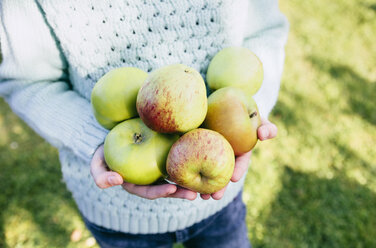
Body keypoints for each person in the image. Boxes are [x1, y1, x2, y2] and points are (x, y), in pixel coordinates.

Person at [0, 0, 289, 247]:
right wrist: (96, 139)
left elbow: (263, 32)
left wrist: (242, 121)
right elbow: (28, 81)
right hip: (116, 213)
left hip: (221, 199)